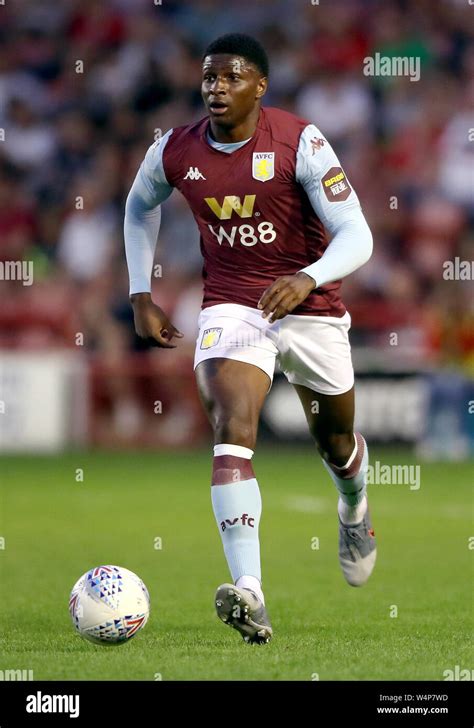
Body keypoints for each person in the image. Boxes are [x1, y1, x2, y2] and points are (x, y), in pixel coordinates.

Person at [124, 33, 375, 645]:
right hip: (233, 304)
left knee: (336, 442)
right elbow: (139, 207)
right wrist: (140, 292)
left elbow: (357, 235)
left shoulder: (300, 141)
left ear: (259, 86)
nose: (216, 88)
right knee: (232, 428)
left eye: (231, 77)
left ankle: (354, 509)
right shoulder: (174, 149)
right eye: (209, 77)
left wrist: (307, 277)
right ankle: (251, 593)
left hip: (312, 306)